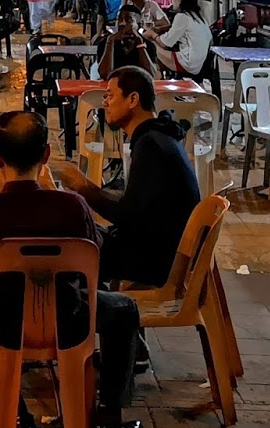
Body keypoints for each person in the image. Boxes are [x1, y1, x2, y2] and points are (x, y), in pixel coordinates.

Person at [0, 110, 145, 428]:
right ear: (45, 155)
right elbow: (95, 255)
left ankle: (15, 416)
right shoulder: (71, 207)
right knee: (124, 309)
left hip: (3, 325)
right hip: (70, 323)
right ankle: (107, 419)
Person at [53, 67, 200, 286]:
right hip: (158, 247)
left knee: (66, 252)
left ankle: (96, 314)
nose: (105, 102)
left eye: (110, 95)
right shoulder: (159, 136)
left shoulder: (151, 145)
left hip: (157, 260)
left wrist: (82, 187)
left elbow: (128, 216)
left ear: (133, 99)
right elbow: (136, 209)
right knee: (78, 235)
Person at [145, 0, 213, 80]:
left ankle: (157, 81)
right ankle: (162, 78)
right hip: (199, 63)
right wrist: (159, 30)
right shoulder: (199, 17)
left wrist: (152, 34)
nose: (172, 2)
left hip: (188, 63)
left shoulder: (182, 17)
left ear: (179, 0)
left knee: (150, 46)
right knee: (158, 56)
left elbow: (165, 43)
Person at [97, 7, 157, 78]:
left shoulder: (148, 45)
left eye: (128, 20)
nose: (122, 23)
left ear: (139, 24)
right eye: (119, 20)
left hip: (138, 86)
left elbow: (151, 74)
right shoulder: (105, 43)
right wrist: (110, 43)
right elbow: (105, 75)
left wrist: (140, 44)